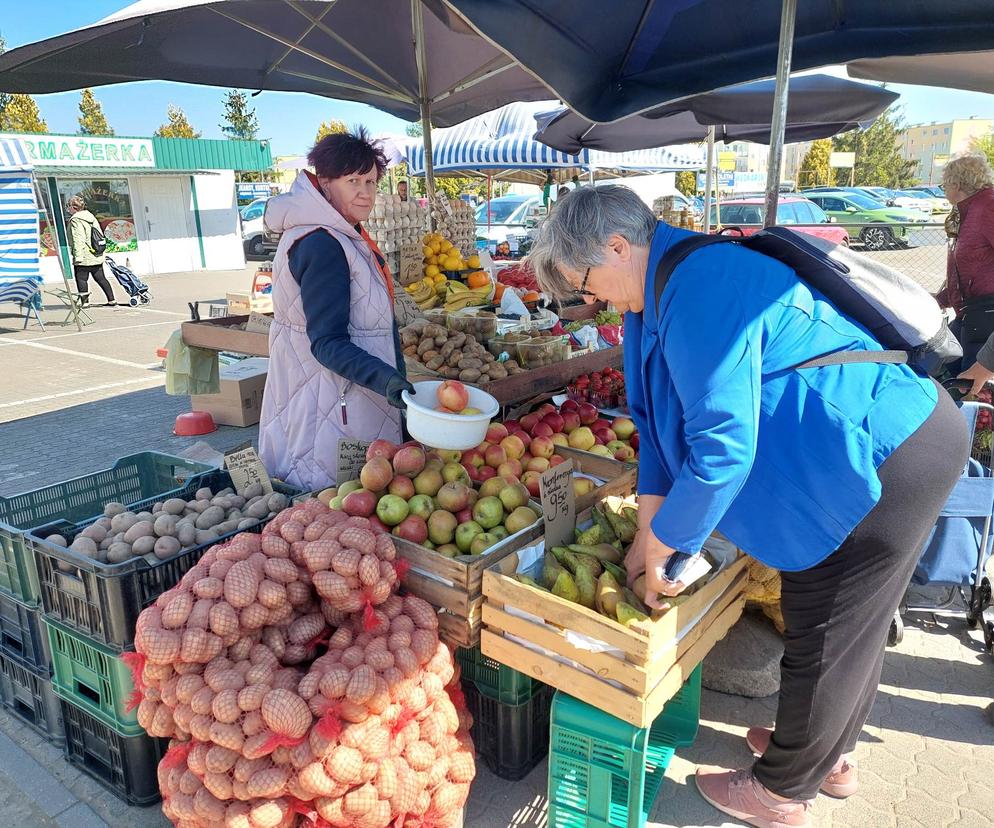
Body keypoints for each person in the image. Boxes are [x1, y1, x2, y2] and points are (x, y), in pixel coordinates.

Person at [527, 185, 967, 828]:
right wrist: (649, 532)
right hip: (842, 451)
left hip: (892, 451)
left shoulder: (704, 282)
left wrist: (672, 545)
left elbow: (723, 449)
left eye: (583, 281)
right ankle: (821, 753)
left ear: (618, 246)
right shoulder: (647, 296)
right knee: (840, 621)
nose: (586, 300)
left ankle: (785, 789)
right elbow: (653, 427)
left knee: (831, 624)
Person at [259, 128, 413, 492]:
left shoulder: (336, 233)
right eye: (353, 181)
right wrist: (388, 380)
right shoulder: (323, 244)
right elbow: (327, 342)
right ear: (325, 183)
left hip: (332, 392)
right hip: (330, 400)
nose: (365, 192)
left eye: (372, 182)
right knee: (328, 501)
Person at [935, 153, 994, 367]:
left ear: (956, 184)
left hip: (986, 314)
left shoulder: (988, 207)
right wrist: (942, 299)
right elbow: (969, 268)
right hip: (971, 313)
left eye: (944, 186)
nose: (944, 192)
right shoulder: (970, 210)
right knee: (942, 365)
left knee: (968, 385)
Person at [66, 195, 116, 307]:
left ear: (73, 207)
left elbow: (78, 239)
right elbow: (98, 234)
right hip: (96, 252)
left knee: (81, 278)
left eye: (68, 206)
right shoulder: (90, 216)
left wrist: (78, 257)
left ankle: (85, 303)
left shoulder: (76, 220)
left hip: (84, 254)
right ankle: (111, 299)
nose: (68, 209)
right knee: (100, 278)